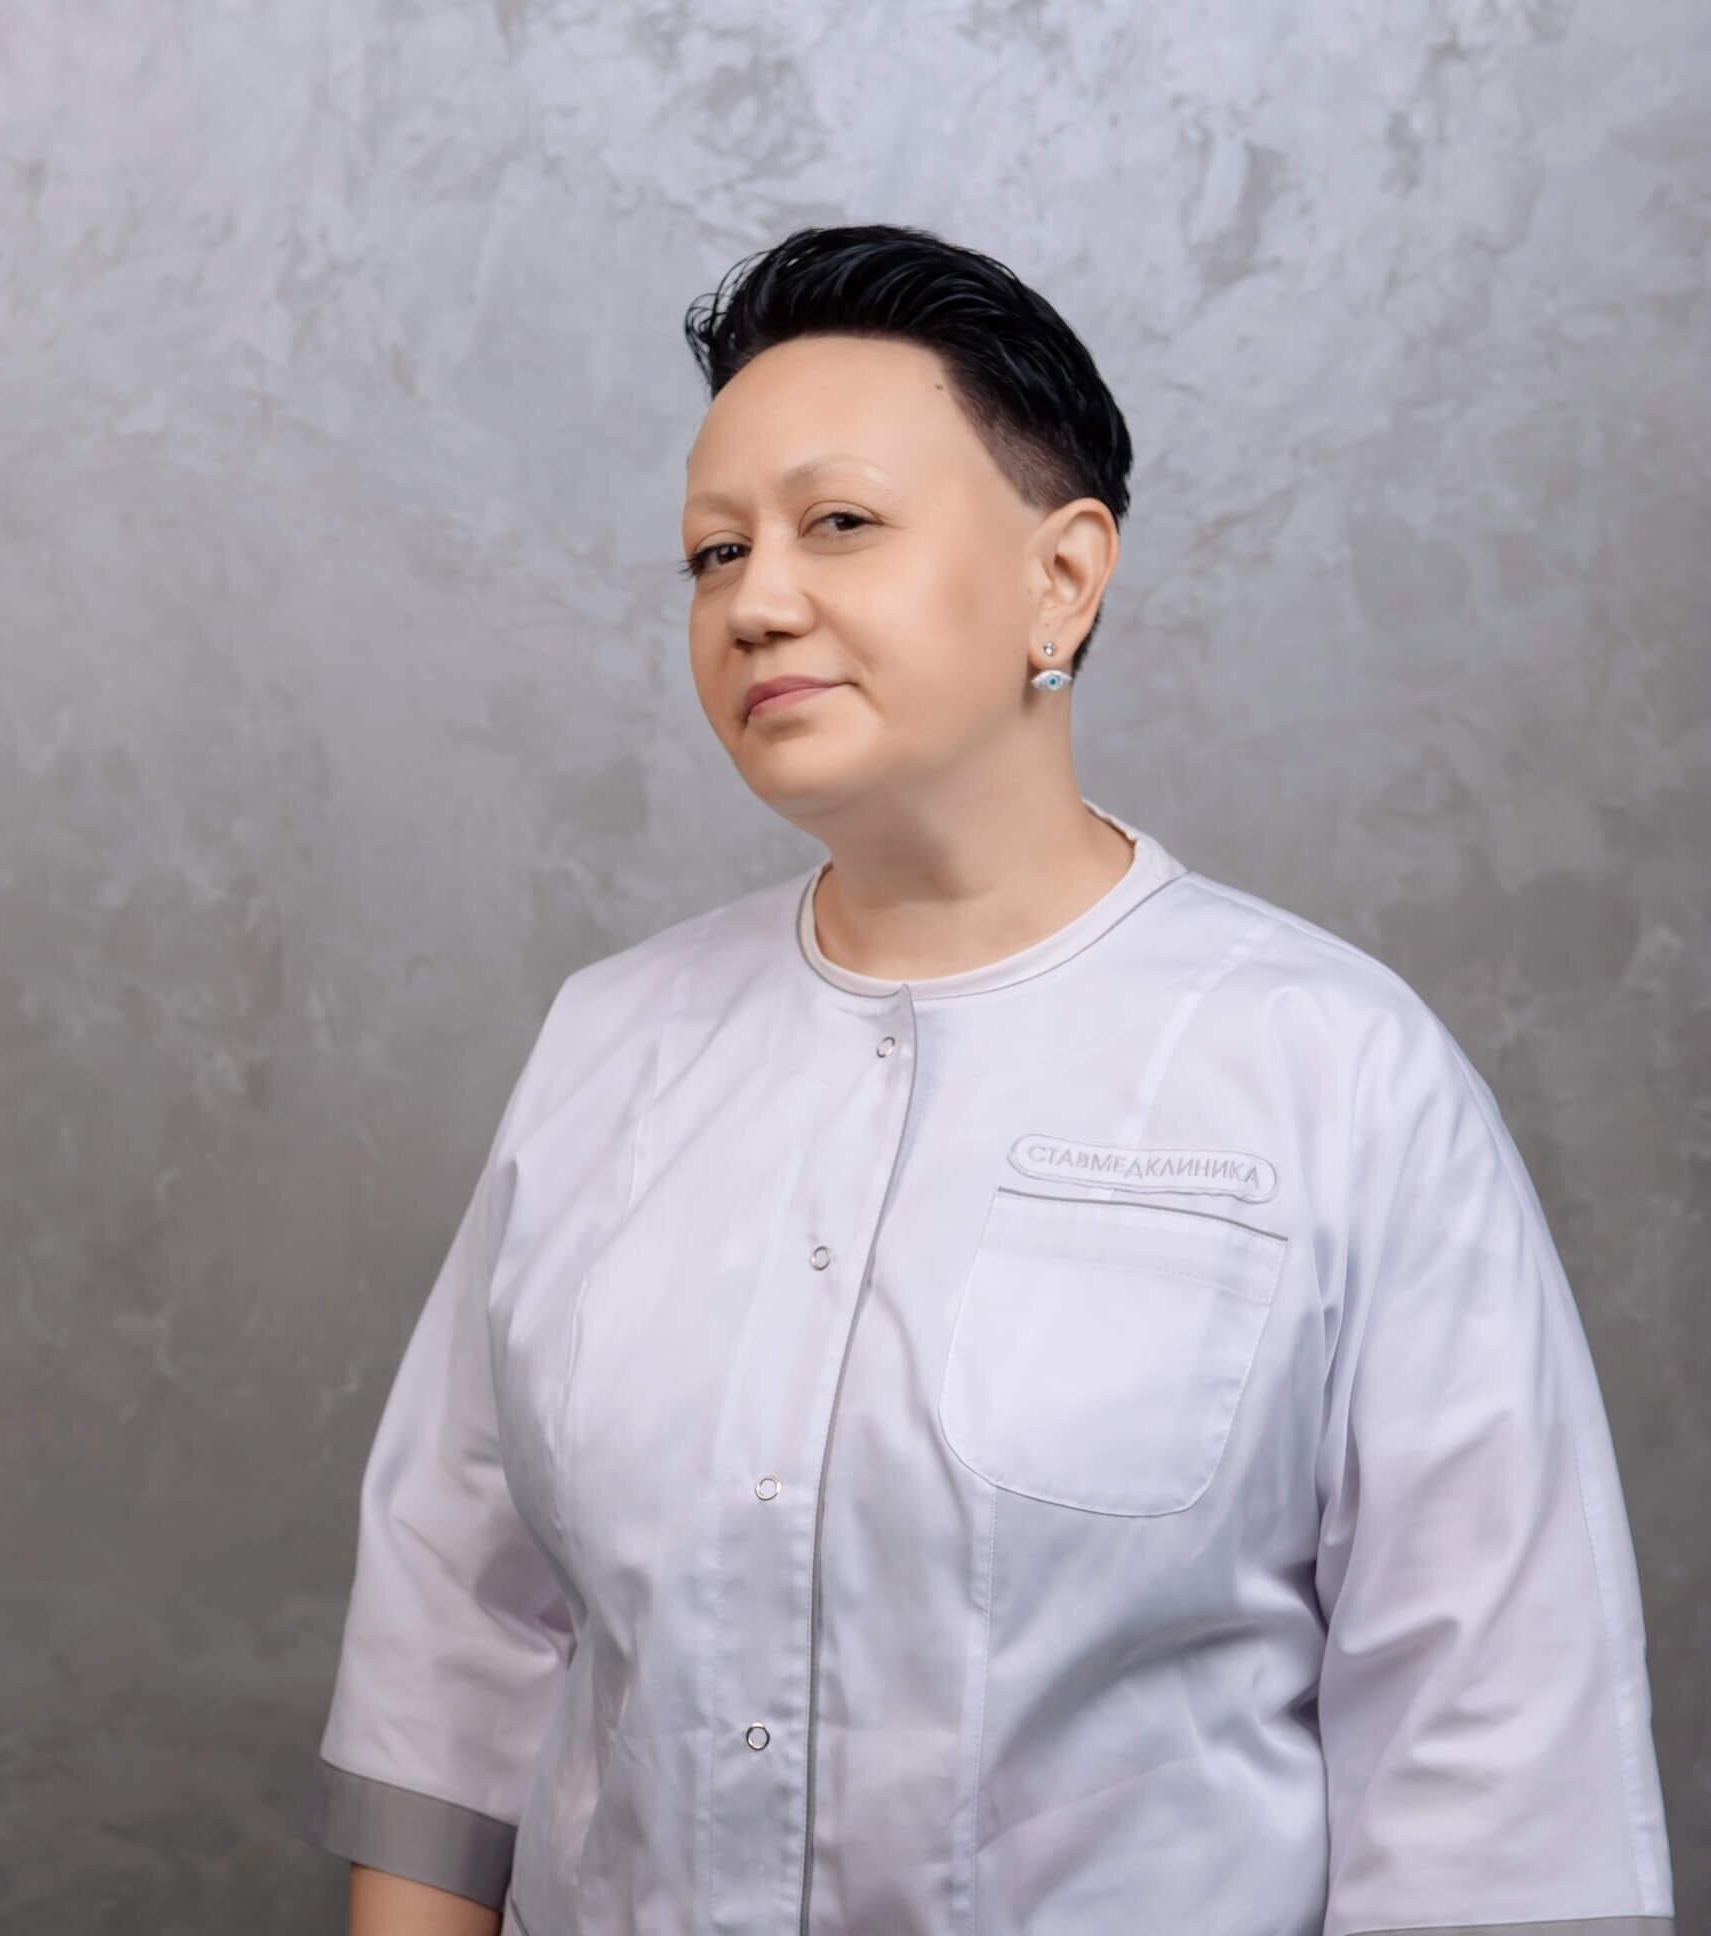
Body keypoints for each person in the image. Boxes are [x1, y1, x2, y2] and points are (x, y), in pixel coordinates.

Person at [301, 223, 1676, 1936]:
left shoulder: (1331, 1069)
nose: (756, 600)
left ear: (1061, 578)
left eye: (838, 524)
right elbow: (455, 1628)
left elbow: (1491, 1749)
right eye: (714, 552)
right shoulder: (610, 1045)